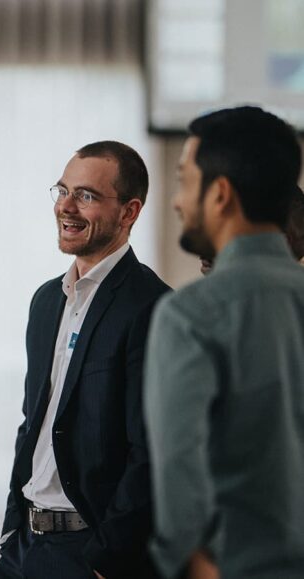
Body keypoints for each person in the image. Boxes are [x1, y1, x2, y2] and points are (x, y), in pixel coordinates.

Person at [0, 141, 169, 579]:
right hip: (26, 543)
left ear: (129, 212)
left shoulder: (153, 307)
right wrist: (13, 525)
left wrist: (108, 559)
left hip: (86, 551)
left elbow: (153, 451)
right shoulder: (47, 300)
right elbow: (34, 419)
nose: (66, 206)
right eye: (63, 190)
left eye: (86, 195)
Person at [144, 106, 304, 579]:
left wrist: (186, 559)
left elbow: (179, 472)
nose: (176, 202)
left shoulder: (190, 316)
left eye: (183, 181)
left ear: (220, 194)